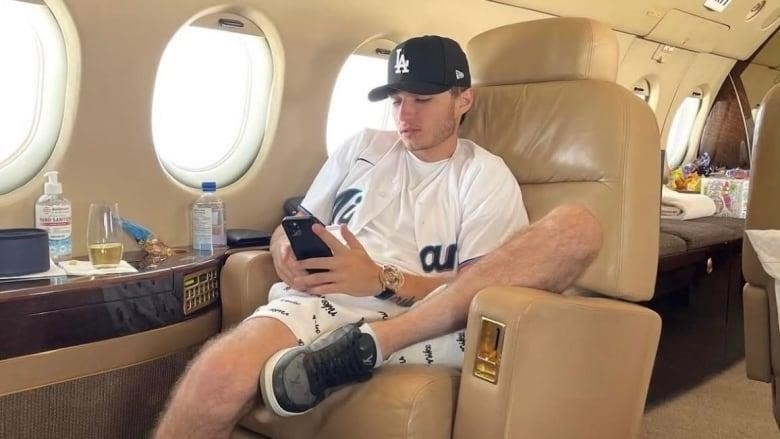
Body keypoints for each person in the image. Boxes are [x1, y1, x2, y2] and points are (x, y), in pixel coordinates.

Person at [154, 35, 601, 439]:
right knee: (217, 371)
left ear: (463, 99)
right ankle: (343, 350)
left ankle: (371, 344)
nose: (405, 115)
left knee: (578, 227)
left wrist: (382, 280)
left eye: (422, 100)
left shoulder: (481, 174)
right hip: (321, 299)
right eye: (397, 100)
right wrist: (285, 252)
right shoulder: (362, 146)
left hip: (421, 317)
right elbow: (293, 225)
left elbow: (481, 290)